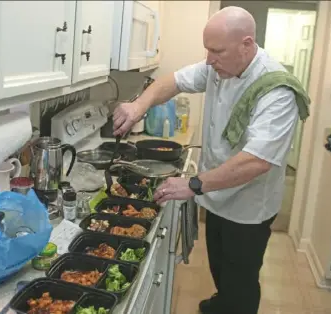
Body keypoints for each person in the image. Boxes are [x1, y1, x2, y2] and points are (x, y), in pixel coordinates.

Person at [112, 6, 310, 314]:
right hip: (215, 192)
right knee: (219, 262)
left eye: (216, 51)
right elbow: (173, 81)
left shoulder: (277, 90)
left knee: (241, 279)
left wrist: (192, 184)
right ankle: (222, 301)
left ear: (246, 44)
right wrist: (139, 106)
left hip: (249, 206)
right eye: (207, 50)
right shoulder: (219, 66)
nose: (208, 59)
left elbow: (257, 161)